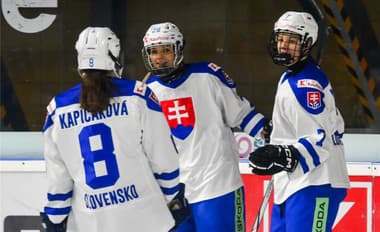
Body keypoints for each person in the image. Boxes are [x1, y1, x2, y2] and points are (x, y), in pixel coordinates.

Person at [40, 27, 184, 232]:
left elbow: (59, 179)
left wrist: (54, 219)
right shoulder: (138, 95)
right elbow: (163, 159)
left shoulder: (57, 109)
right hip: (145, 218)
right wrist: (172, 197)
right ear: (114, 55)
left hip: (89, 223)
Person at [141, 22, 270, 232]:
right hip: (174, 193)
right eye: (154, 52)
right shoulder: (147, 93)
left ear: (179, 49)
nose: (160, 57)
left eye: (166, 50)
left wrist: (271, 135)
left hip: (218, 184)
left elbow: (241, 114)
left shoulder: (207, 75)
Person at [249, 11, 350, 232]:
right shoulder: (291, 76)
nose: (284, 46)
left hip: (317, 181)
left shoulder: (305, 84)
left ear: (307, 43)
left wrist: (283, 155)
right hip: (296, 182)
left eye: (292, 41)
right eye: (281, 39)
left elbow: (319, 139)